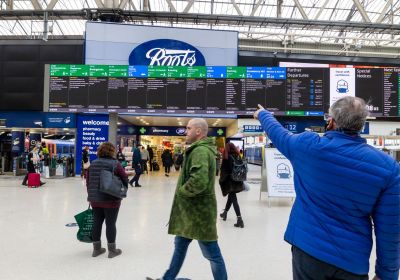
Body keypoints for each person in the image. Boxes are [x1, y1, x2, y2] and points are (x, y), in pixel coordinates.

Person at [254, 96, 400, 280]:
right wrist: (386, 275)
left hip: (308, 249)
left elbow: (279, 134)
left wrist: (263, 114)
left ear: (331, 121)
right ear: (361, 125)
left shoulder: (308, 146)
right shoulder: (388, 167)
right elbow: (390, 228)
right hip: (352, 260)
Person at [147, 118, 227, 280]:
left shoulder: (200, 151)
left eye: (188, 128)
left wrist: (181, 193)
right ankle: (167, 279)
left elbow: (199, 181)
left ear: (198, 131)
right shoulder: (200, 149)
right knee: (180, 246)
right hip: (190, 213)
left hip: (199, 216)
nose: (185, 131)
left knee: (212, 254)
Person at [86, 142, 128, 258]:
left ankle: (96, 249)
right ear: (112, 151)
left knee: (97, 222)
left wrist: (91, 195)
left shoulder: (93, 164)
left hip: (95, 199)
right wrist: (123, 189)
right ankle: (112, 250)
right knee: (110, 223)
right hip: (111, 199)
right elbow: (124, 177)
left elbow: (88, 182)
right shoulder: (115, 163)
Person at [219, 142, 244, 228]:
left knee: (234, 199)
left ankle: (239, 219)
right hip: (237, 180)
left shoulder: (227, 157)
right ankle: (225, 213)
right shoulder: (238, 155)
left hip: (230, 182)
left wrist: (221, 181)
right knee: (231, 197)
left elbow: (224, 171)